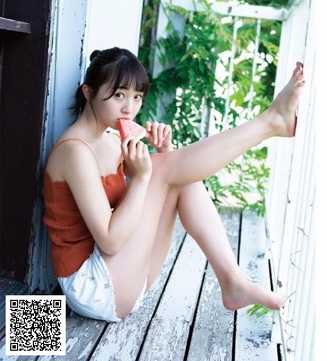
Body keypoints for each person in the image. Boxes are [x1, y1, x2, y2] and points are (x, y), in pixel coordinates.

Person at [42, 47, 304, 322]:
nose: (129, 108)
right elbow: (109, 240)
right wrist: (144, 175)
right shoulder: (75, 152)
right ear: (88, 93)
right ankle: (271, 122)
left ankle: (232, 282)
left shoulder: (110, 140)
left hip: (127, 277)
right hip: (93, 287)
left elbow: (169, 179)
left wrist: (164, 150)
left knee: (181, 179)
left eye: (137, 97)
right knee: (158, 171)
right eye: (119, 95)